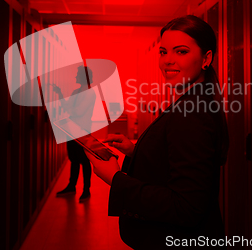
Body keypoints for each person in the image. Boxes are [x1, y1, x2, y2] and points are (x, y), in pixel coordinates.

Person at [85, 15, 229, 249]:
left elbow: (186, 207)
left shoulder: (191, 113)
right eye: (163, 52)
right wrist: (135, 151)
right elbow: (176, 161)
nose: (167, 61)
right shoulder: (193, 102)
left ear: (206, 58)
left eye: (180, 51)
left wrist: (115, 179)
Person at [53, 65, 96, 202]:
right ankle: (72, 186)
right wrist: (60, 95)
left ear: (84, 77)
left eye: (78, 74)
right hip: (71, 130)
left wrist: (70, 109)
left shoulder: (90, 93)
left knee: (84, 161)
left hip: (83, 132)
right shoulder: (76, 91)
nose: (76, 76)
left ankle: (86, 190)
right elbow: (68, 107)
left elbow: (78, 111)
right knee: (74, 160)